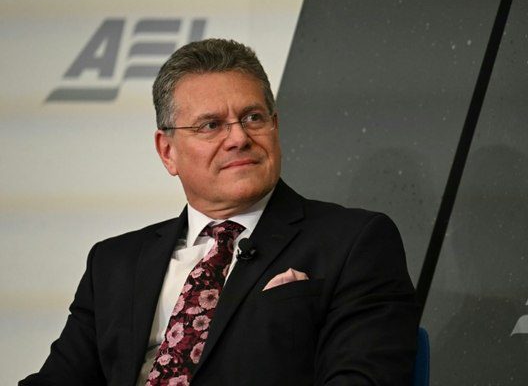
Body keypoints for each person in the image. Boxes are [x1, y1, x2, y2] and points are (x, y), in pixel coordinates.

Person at [20, 39, 419, 385]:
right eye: (210, 125)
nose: (239, 138)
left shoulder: (353, 242)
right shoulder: (114, 262)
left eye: (253, 118)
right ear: (167, 152)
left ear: (275, 126)